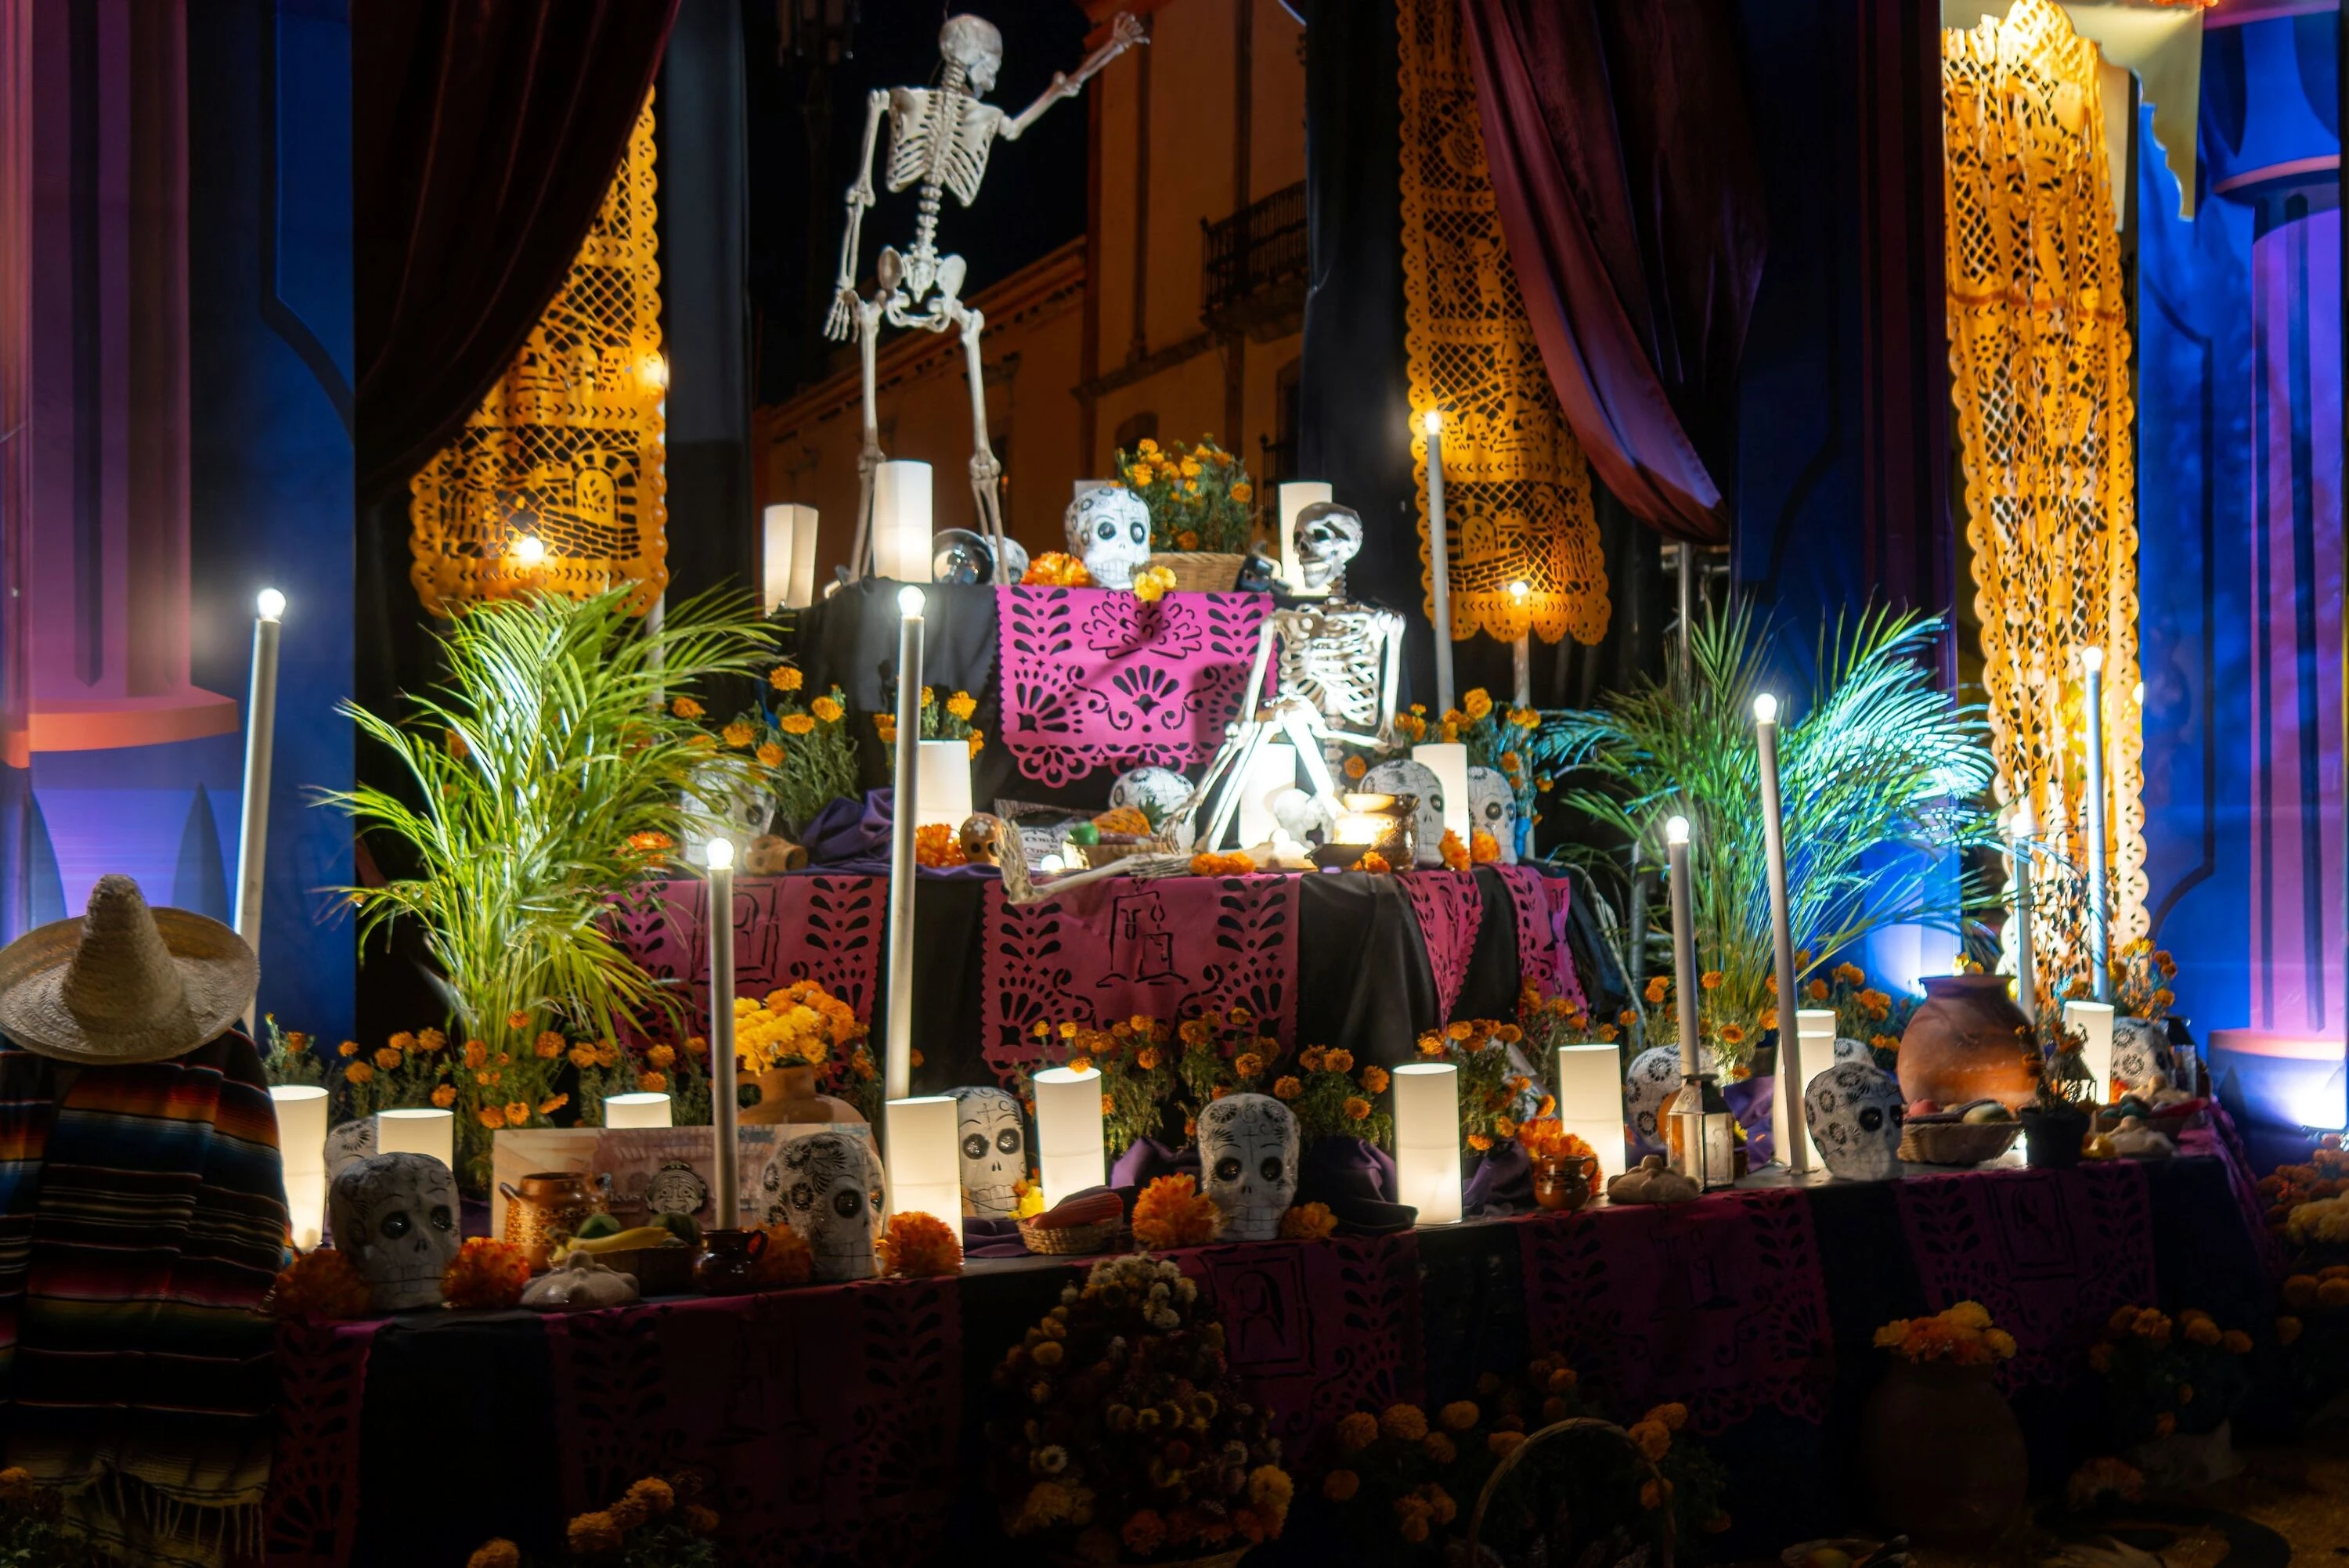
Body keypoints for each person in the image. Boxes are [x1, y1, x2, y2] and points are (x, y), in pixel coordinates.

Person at [0, 875, 287, 1566]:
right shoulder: (226, 1057)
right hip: (194, 1397)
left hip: (45, 1383)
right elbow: (253, 1232)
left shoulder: (17, 1065)